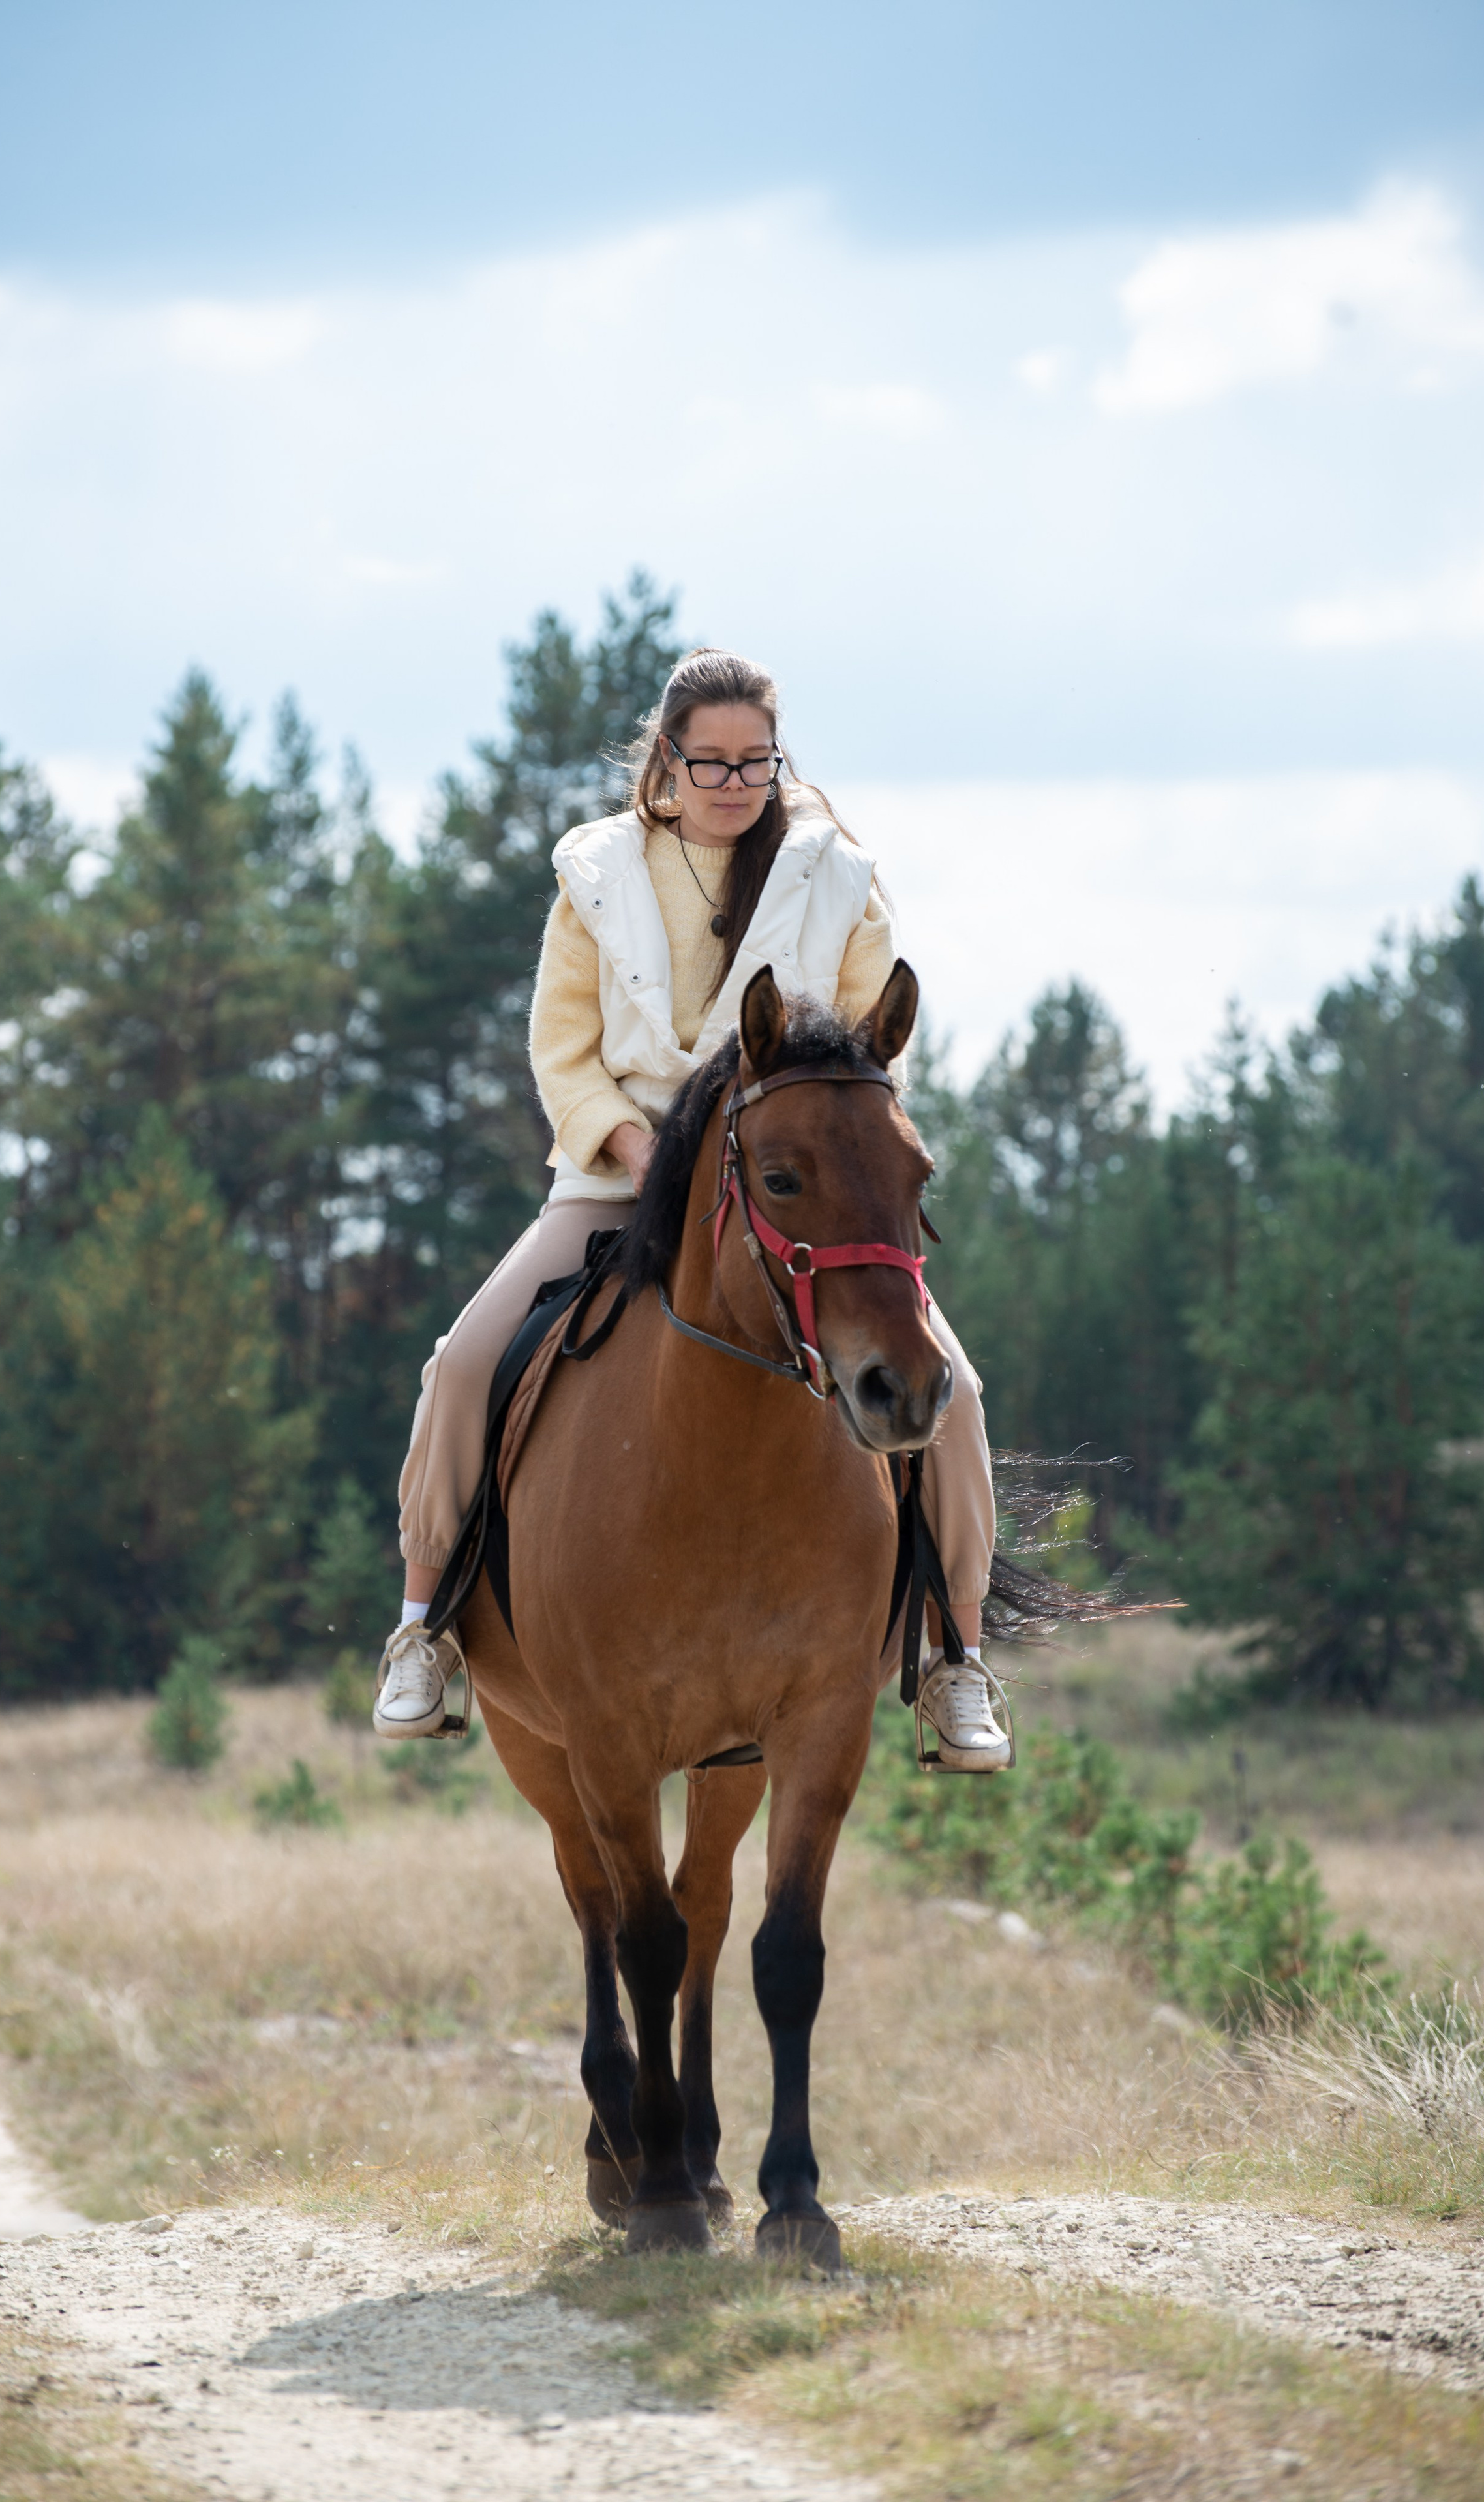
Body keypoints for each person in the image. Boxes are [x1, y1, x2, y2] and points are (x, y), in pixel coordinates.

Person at [373, 647, 1008, 1771]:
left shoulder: (840, 880)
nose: (734, 782)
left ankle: (955, 1656)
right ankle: (424, 1630)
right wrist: (645, 1150)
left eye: (756, 760)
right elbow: (563, 1052)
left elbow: (871, 1056)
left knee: (951, 1393)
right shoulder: (598, 875)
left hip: (790, 1200)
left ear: (778, 759)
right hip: (619, 1184)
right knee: (461, 1366)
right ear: (666, 759)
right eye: (710, 761)